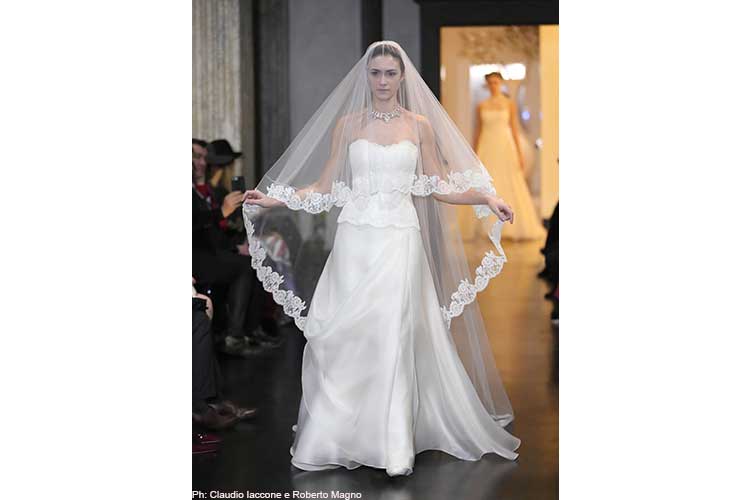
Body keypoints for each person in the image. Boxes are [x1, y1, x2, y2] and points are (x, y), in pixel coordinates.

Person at [243, 41, 520, 476]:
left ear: (402, 76)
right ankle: (344, 433)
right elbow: (324, 186)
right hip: (354, 240)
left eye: (391, 73)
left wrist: (486, 197)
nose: (384, 81)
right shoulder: (348, 125)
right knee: (351, 335)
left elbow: (439, 185)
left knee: (395, 331)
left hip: (399, 237)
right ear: (366, 76)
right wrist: (274, 199)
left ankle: (395, 445)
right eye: (376, 73)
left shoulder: (419, 126)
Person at [192, 139, 280, 356]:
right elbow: (198, 223)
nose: (200, 162)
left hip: (212, 251)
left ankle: (250, 329)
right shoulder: (204, 190)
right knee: (246, 265)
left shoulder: (207, 190)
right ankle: (237, 334)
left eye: (203, 158)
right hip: (199, 256)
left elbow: (218, 227)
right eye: (196, 157)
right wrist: (222, 216)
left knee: (256, 260)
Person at [465, 72, 546, 241]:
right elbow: (478, 130)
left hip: (505, 146)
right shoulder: (481, 106)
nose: (493, 85)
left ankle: (510, 225)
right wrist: (473, 153)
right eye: (490, 83)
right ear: (487, 85)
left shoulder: (509, 104)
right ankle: (487, 225)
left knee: (511, 182)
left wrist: (519, 153)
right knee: (487, 182)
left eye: (496, 82)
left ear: (501, 83)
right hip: (487, 146)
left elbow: (514, 129)